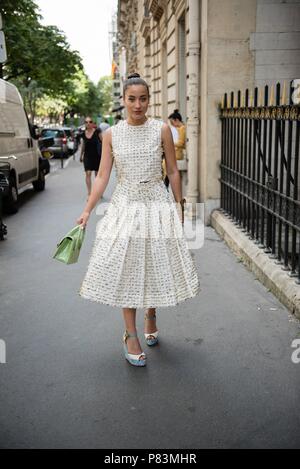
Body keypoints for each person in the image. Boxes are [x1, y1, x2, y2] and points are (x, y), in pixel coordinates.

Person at [76, 73, 201, 367]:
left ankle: (151, 313)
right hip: (125, 205)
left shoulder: (161, 130)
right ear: (123, 100)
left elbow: (172, 171)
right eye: (132, 99)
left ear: (149, 100)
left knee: (155, 261)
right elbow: (103, 176)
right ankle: (130, 335)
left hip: (156, 201)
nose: (138, 105)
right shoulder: (111, 135)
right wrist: (87, 210)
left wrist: (179, 206)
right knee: (128, 266)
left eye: (143, 99)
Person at [80, 117, 102, 199]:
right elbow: (83, 145)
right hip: (87, 156)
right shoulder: (83, 134)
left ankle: (97, 191)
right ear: (85, 124)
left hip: (97, 156)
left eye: (90, 121)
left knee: (97, 175)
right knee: (88, 173)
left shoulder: (97, 132)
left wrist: (105, 155)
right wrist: (81, 155)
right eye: (86, 122)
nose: (88, 123)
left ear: (93, 123)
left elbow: (103, 142)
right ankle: (89, 193)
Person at [162, 109, 186, 186]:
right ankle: (166, 180)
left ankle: (166, 181)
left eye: (172, 122)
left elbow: (181, 143)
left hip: (178, 153)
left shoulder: (182, 128)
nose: (172, 124)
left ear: (176, 120)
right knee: (164, 163)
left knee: (166, 164)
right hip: (176, 152)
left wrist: (170, 143)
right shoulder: (179, 129)